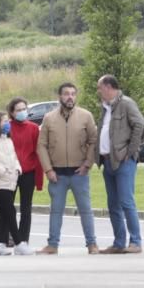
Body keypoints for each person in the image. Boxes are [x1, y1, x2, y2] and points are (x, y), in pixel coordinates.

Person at [36, 82, 99, 254]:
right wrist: (48, 170)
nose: (70, 97)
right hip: (57, 175)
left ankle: (92, 244)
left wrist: (88, 164)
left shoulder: (86, 116)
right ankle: (53, 245)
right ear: (60, 96)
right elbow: (41, 145)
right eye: (66, 94)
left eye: (73, 93)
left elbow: (94, 141)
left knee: (85, 210)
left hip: (80, 173)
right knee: (55, 211)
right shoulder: (49, 118)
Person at [96, 75, 144, 254]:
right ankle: (119, 243)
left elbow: (140, 125)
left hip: (123, 161)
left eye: (100, 88)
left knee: (126, 202)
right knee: (113, 205)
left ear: (109, 87)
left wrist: (130, 150)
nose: (98, 91)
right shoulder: (105, 108)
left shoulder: (126, 103)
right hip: (107, 161)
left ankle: (135, 242)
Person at [0, 112, 30, 255]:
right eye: (4, 121)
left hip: (10, 180)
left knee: (3, 212)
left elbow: (14, 157)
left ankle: (0, 244)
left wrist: (17, 168)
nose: (8, 124)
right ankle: (19, 242)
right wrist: (3, 170)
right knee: (10, 210)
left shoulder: (7, 140)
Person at [7, 97, 43, 246]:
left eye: (24, 109)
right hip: (11, 172)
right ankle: (11, 236)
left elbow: (38, 153)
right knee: (8, 207)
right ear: (12, 112)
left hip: (28, 172)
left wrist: (39, 180)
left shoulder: (33, 128)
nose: (22, 112)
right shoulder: (7, 127)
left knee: (26, 208)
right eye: (19, 110)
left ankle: (23, 239)